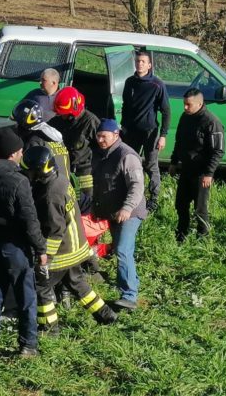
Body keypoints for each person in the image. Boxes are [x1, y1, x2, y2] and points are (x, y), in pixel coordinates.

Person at [21, 146, 117, 332]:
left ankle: (49, 327)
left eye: (30, 171)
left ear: (40, 171)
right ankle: (106, 315)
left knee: (41, 286)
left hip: (62, 252)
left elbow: (55, 230)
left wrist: (45, 258)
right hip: (76, 246)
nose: (28, 174)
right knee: (77, 283)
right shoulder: (61, 180)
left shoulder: (51, 196)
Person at [0, 128, 46, 363]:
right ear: (15, 153)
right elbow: (29, 219)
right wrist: (41, 248)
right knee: (26, 298)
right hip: (15, 247)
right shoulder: (19, 180)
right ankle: (28, 345)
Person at [91, 119, 147, 312]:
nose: (99, 139)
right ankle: (132, 283)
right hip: (114, 212)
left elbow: (137, 185)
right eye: (98, 135)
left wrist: (127, 208)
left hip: (129, 212)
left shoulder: (126, 155)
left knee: (122, 250)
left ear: (116, 135)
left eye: (103, 136)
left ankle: (129, 296)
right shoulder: (101, 154)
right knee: (121, 250)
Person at [169, 88, 225, 242]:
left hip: (202, 173)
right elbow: (179, 141)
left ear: (200, 103)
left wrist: (209, 173)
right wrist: (174, 162)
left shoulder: (211, 122)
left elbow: (218, 151)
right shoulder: (185, 117)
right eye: (184, 104)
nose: (185, 108)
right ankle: (181, 234)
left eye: (189, 105)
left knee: (200, 209)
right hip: (186, 169)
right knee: (180, 204)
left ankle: (203, 238)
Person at [120, 49, 170, 212]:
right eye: (137, 61)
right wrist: (123, 127)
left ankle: (153, 198)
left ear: (149, 65)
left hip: (150, 132)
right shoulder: (129, 82)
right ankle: (129, 194)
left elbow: (166, 111)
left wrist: (163, 135)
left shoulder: (157, 84)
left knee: (151, 165)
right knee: (129, 163)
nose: (139, 64)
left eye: (143, 62)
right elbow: (125, 106)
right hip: (131, 131)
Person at [49, 86, 100, 200]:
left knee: (85, 206)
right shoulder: (59, 120)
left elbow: (102, 149)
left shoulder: (90, 122)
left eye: (63, 114)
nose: (60, 116)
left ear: (73, 111)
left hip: (84, 174)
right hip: (63, 170)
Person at [11, 99, 70, 181]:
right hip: (65, 186)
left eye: (18, 123)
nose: (16, 126)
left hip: (49, 190)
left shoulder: (34, 141)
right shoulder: (53, 134)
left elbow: (28, 173)